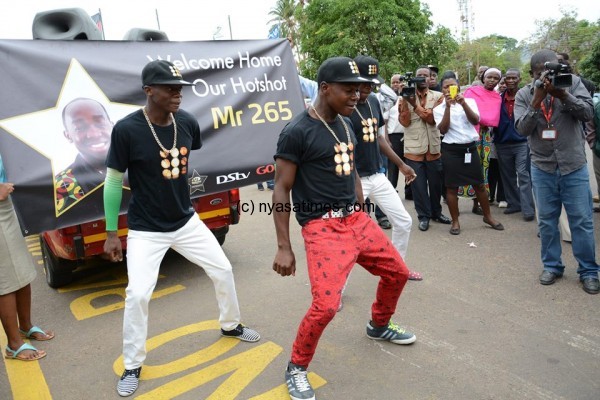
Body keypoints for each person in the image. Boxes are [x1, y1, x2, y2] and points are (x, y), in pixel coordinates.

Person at [103, 60, 260, 397]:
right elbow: (114, 181)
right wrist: (112, 233)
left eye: (180, 88)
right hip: (146, 228)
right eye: (170, 88)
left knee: (223, 270)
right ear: (149, 91)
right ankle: (132, 364)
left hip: (186, 220)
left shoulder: (186, 122)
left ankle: (230, 325)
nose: (178, 94)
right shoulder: (127, 129)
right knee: (138, 294)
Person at [272, 56, 416, 400]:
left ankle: (378, 325)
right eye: (349, 90)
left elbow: (350, 168)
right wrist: (284, 246)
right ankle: (296, 367)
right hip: (322, 228)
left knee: (398, 272)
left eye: (359, 90)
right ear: (325, 88)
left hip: (356, 219)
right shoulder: (296, 132)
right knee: (326, 306)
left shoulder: (346, 123)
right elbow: (281, 188)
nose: (357, 96)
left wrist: (361, 209)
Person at [515, 49, 598, 295]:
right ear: (532, 74)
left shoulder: (572, 84)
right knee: (547, 222)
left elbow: (587, 113)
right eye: (542, 73)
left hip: (573, 165)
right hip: (542, 167)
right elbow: (522, 129)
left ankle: (589, 271)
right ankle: (552, 266)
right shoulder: (523, 94)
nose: (547, 77)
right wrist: (536, 101)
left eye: (551, 71)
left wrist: (562, 95)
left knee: (582, 221)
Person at [350, 55, 420, 280]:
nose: (369, 88)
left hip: (377, 175)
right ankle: (336, 291)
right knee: (350, 235)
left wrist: (401, 165)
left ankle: (396, 270)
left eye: (372, 84)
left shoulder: (373, 102)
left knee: (404, 221)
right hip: (353, 179)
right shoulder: (344, 108)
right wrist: (355, 185)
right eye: (364, 84)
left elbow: (379, 138)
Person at [433, 72, 504, 234]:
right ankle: (455, 221)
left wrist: (463, 103)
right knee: (451, 188)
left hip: (470, 148)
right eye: (446, 86)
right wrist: (448, 108)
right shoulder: (438, 109)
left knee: (479, 184)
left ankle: (488, 216)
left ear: (458, 86)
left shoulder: (470, 101)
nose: (450, 89)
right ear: (442, 89)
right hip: (451, 150)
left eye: (453, 86)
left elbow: (475, 121)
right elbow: (443, 129)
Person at [0, 155, 54, 362]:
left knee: (22, 271)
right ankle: (13, 345)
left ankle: (25, 326)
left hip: (8, 204)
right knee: (6, 280)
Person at [399, 65, 451, 232]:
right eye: (419, 75)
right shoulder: (405, 97)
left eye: (425, 75)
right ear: (413, 78)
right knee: (418, 186)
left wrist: (415, 105)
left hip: (433, 148)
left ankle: (436, 212)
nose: (422, 78)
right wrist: (406, 102)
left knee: (436, 185)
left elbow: (432, 119)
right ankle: (423, 216)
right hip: (413, 149)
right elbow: (405, 123)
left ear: (430, 78)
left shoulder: (439, 97)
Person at [55, 98, 114, 213]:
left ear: (112, 125)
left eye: (100, 123)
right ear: (68, 136)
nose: (94, 134)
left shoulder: (145, 167)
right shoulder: (60, 188)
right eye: (80, 128)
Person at [494, 68, 535, 221]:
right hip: (502, 142)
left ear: (519, 79)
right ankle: (514, 203)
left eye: (514, 78)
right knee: (507, 176)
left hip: (522, 142)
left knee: (523, 174)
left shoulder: (525, 97)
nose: (510, 81)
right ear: (504, 80)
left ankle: (528, 208)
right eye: (508, 78)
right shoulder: (499, 98)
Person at [462, 68, 503, 216]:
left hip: (484, 137)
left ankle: (477, 203)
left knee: (482, 168)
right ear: (483, 78)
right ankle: (453, 198)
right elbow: (463, 111)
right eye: (489, 77)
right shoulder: (472, 92)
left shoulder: (497, 97)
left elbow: (492, 119)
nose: (492, 80)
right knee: (467, 167)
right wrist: (480, 119)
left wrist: (481, 119)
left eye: (495, 78)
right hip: (468, 134)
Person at [387, 74, 412, 200]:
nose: (396, 84)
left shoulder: (408, 97)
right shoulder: (388, 100)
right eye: (394, 82)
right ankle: (391, 192)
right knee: (393, 168)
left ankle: (409, 193)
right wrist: (387, 139)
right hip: (393, 137)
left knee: (409, 164)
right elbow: (384, 121)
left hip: (408, 135)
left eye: (399, 82)